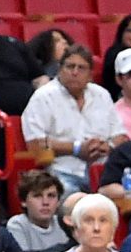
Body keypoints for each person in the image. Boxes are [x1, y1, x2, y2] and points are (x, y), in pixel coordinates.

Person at [20, 46, 124, 195]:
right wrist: (76, 148)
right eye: (70, 66)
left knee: (127, 194)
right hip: (60, 171)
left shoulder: (102, 95)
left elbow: (120, 135)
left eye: (81, 68)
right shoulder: (43, 97)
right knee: (74, 199)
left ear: (90, 75)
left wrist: (108, 146)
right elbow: (35, 144)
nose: (75, 72)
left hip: (104, 171)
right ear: (60, 70)